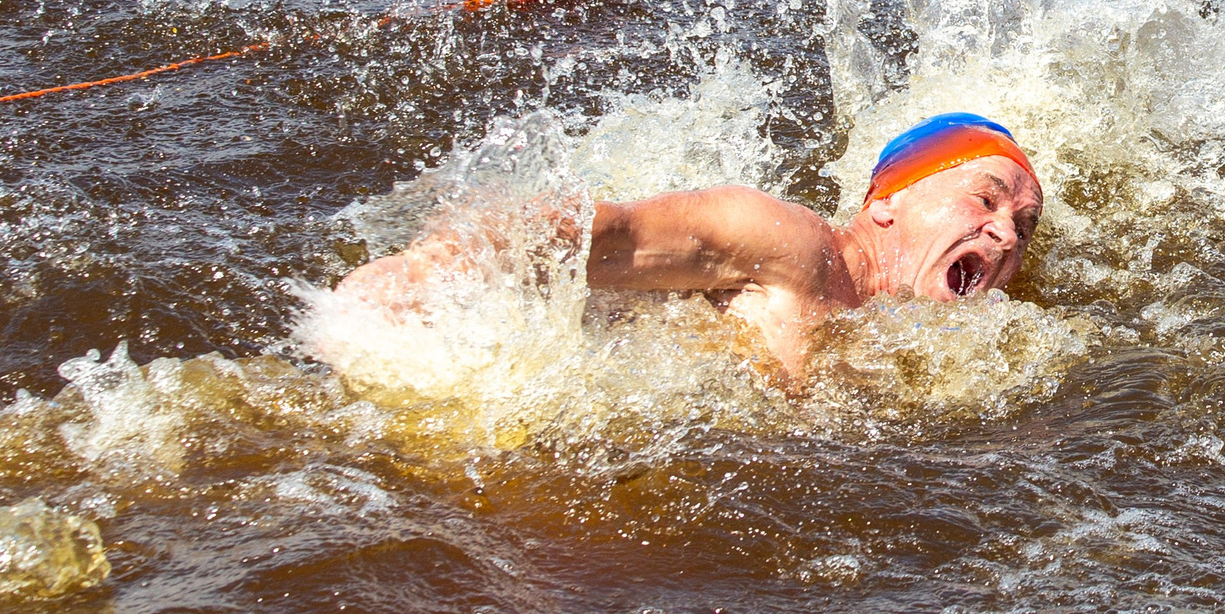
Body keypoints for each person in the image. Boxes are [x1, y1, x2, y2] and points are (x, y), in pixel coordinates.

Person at [333, 112, 1045, 382]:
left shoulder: (923, 351)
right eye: (985, 198)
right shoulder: (790, 244)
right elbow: (583, 230)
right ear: (886, 203)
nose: (1007, 233)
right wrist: (417, 275)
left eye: (1023, 224)